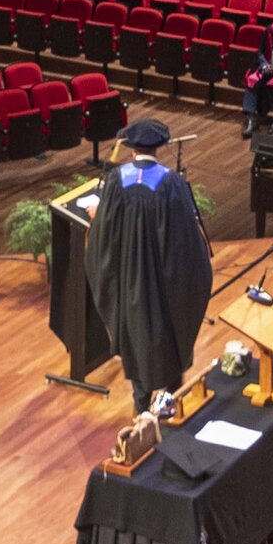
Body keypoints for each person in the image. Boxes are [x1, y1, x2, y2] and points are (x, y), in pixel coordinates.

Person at [80, 117, 213, 407]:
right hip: (165, 285)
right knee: (170, 334)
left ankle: (141, 411)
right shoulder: (171, 183)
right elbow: (185, 242)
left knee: (137, 336)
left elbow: (105, 232)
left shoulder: (116, 180)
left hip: (130, 284)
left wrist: (96, 217)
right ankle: (172, 403)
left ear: (131, 150)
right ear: (160, 148)